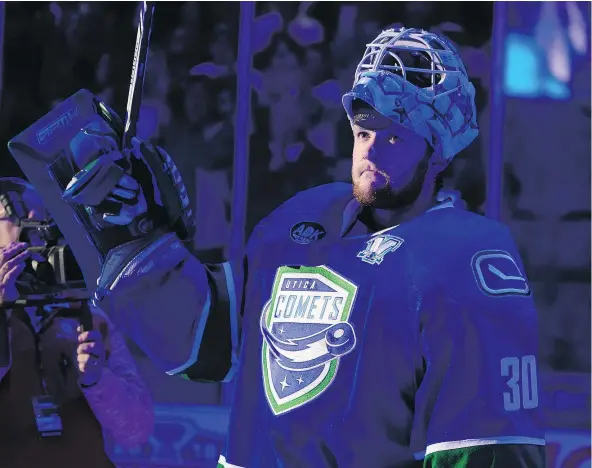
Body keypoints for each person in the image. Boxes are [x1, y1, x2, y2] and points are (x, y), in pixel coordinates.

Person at [54, 27, 545, 467]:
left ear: (438, 149)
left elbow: (486, 447)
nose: (370, 150)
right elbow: (209, 341)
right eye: (363, 132)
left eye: (393, 137)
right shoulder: (300, 220)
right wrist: (136, 235)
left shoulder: (467, 256)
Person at [0, 178, 154, 467]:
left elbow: (137, 431)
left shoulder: (89, 316)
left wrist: (97, 380)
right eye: (14, 217)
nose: (32, 232)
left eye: (41, 221)